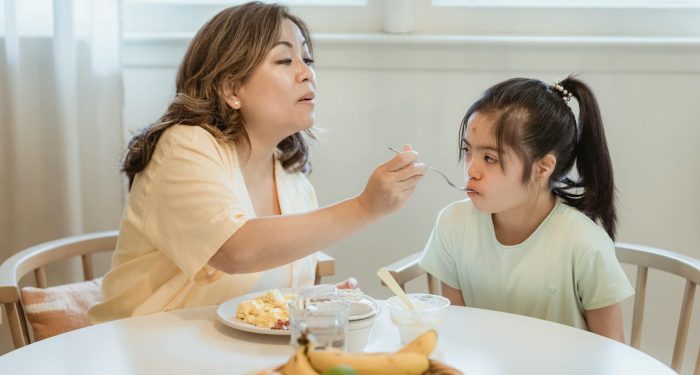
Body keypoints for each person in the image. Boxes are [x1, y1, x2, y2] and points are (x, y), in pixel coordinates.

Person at [88, 2, 425, 323]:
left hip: (227, 358)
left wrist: (316, 302)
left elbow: (266, 298)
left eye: (307, 58)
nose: (307, 73)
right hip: (143, 352)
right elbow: (235, 250)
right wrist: (365, 207)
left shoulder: (294, 184)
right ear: (232, 88)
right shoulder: (183, 147)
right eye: (284, 60)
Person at [419, 76, 634, 342]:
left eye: (490, 158)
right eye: (467, 151)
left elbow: (612, 353)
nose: (471, 170)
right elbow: (458, 334)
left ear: (543, 167)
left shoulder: (584, 245)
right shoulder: (453, 224)